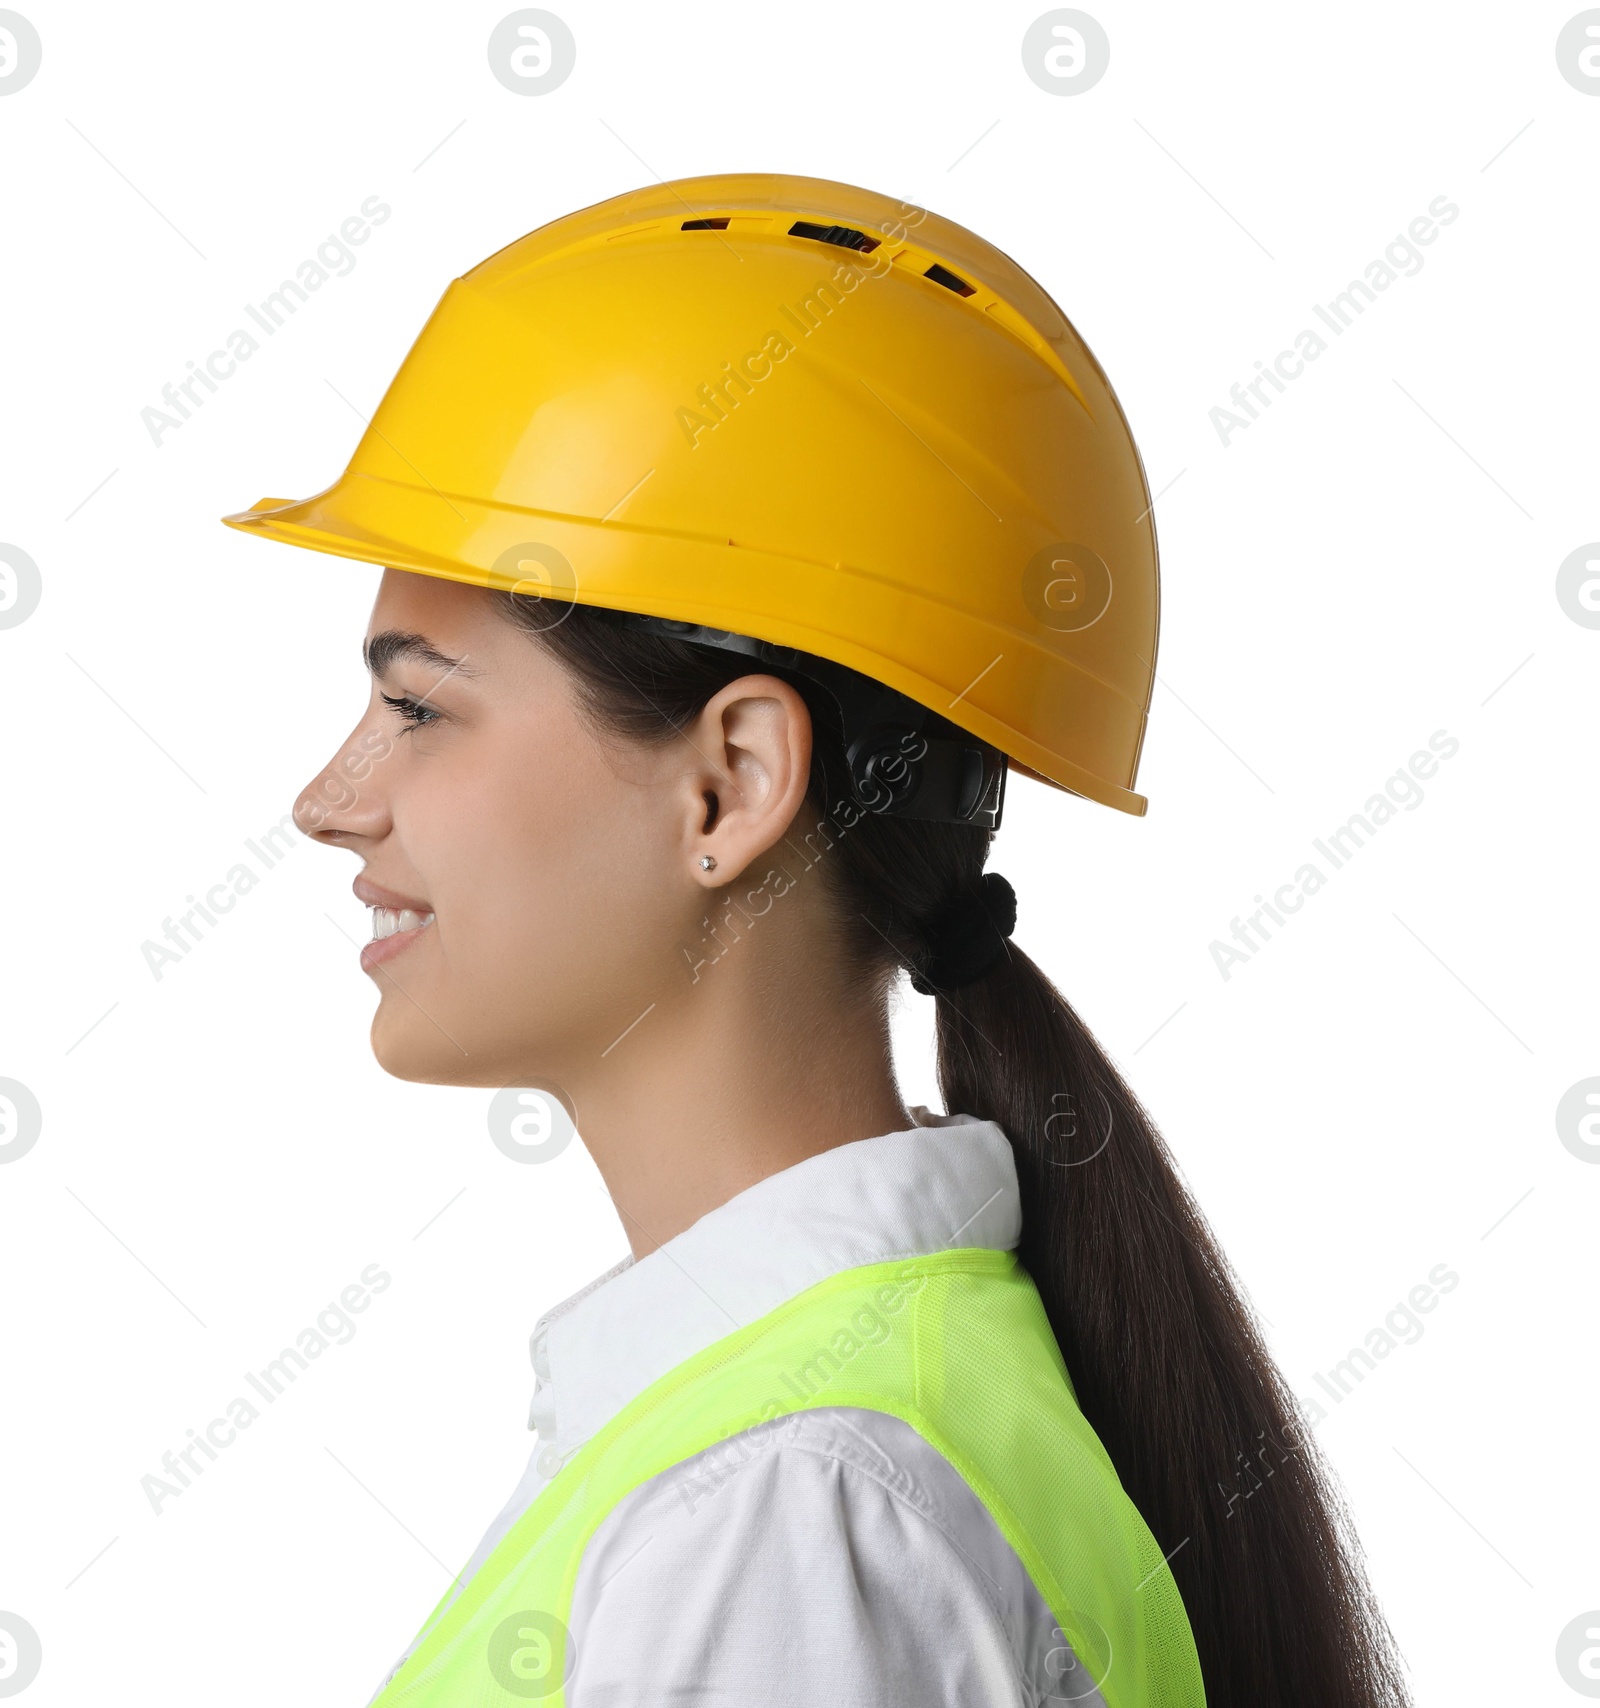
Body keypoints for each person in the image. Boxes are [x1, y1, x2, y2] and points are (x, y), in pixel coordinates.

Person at [226, 174, 1409, 1707]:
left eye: (417, 708)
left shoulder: (787, 1503)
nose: (331, 802)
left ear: (733, 782)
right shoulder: (811, 1440)